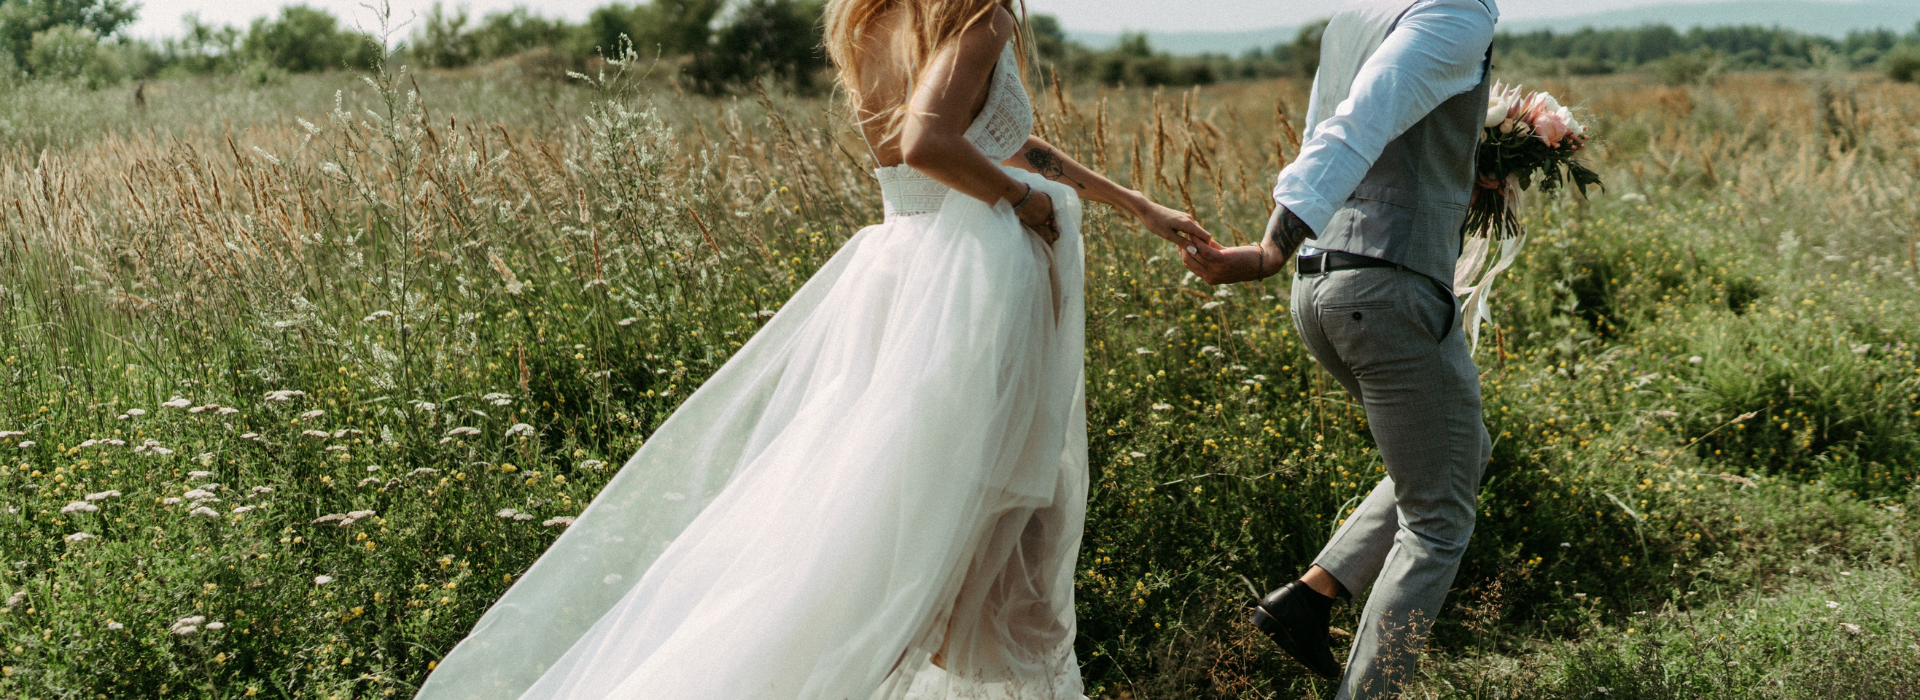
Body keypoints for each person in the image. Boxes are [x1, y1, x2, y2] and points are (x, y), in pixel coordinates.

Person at [412, 1, 1211, 698]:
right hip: (970, 287)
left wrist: (1136, 203)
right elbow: (931, 143)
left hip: (904, 274)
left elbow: (1000, 139)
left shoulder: (868, 19)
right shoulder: (978, 14)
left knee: (887, 523)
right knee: (1012, 526)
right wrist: (1030, 205)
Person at [1179, 0, 1498, 697]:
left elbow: (1348, 130)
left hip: (1326, 285)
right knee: (1439, 520)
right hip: (1385, 291)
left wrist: (1465, 170)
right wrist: (1270, 245)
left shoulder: (1358, 11)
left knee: (1460, 452)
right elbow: (1362, 118)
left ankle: (1311, 598)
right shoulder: (1457, 12)